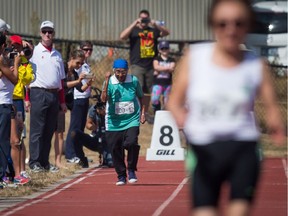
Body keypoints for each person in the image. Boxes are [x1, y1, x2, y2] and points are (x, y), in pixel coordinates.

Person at [167, 1, 285, 216]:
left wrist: (275, 122)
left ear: (248, 26)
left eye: (239, 23)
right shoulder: (195, 57)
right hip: (204, 148)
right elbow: (174, 101)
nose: (231, 30)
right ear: (213, 25)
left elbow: (271, 105)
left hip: (243, 147)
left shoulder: (256, 65)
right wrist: (183, 118)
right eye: (223, 24)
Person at [28, 20, 66, 173]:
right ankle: (34, 162)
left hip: (53, 95)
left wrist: (62, 101)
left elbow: (61, 81)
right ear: (40, 33)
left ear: (53, 34)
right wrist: (26, 98)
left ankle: (44, 162)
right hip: (38, 93)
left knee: (49, 130)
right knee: (37, 130)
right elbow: (27, 78)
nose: (47, 34)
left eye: (50, 31)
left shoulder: (57, 55)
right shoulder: (34, 52)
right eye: (44, 31)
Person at [100, 59, 146, 186]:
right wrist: (107, 81)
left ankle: (131, 170)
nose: (121, 75)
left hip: (131, 119)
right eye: (118, 72)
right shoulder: (109, 82)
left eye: (124, 72)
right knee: (115, 148)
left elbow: (141, 97)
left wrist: (142, 113)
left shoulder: (133, 80)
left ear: (127, 71)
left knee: (131, 143)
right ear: (114, 70)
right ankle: (121, 175)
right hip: (113, 122)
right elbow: (103, 99)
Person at [120, 9, 170, 94]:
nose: (144, 21)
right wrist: (134, 23)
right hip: (137, 64)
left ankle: (150, 107)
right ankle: (139, 107)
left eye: (146, 19)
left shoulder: (153, 30)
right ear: (139, 18)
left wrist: (156, 25)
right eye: (142, 18)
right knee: (138, 89)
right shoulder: (134, 30)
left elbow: (166, 33)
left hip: (151, 66)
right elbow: (122, 36)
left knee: (152, 90)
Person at [53, 49, 86, 168]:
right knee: (46, 133)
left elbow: (81, 88)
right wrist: (77, 81)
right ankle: (39, 160)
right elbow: (61, 85)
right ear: (71, 58)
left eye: (81, 64)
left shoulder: (74, 73)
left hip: (62, 104)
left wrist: (88, 82)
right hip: (54, 101)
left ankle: (58, 161)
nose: (79, 66)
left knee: (60, 133)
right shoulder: (62, 67)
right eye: (78, 63)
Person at [9, 35, 34, 184]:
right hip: (5, 98)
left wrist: (19, 64)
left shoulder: (25, 63)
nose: (14, 49)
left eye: (17, 46)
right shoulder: (4, 59)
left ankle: (21, 170)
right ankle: (10, 170)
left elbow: (27, 79)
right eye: (12, 46)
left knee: (19, 136)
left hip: (17, 98)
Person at [65, 41, 94, 164]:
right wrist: (80, 80)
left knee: (80, 130)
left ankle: (79, 154)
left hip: (84, 97)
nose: (87, 52)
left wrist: (89, 83)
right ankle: (70, 154)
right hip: (77, 99)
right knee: (75, 127)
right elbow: (70, 84)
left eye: (90, 50)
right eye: (85, 49)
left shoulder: (84, 64)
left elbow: (82, 86)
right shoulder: (75, 66)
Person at [0, 32, 21, 189]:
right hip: (3, 105)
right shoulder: (1, 59)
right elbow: (14, 80)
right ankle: (2, 176)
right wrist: (17, 63)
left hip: (5, 103)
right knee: (3, 142)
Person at [72, 100, 112, 168]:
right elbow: (88, 124)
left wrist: (106, 114)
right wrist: (95, 127)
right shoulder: (94, 109)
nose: (102, 108)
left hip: (108, 141)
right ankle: (82, 160)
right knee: (75, 133)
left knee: (110, 163)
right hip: (96, 139)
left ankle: (108, 158)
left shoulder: (112, 108)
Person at [151, 40, 175, 114]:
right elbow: (156, 67)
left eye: (166, 48)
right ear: (159, 50)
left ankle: (165, 114)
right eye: (162, 48)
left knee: (167, 101)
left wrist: (159, 68)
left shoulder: (172, 59)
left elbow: (172, 68)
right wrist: (167, 68)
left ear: (169, 49)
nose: (164, 50)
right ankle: (157, 110)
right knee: (154, 99)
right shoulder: (156, 59)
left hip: (167, 84)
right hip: (157, 83)